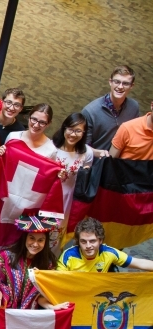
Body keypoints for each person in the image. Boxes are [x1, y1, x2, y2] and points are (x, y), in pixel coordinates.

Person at [0, 216, 69, 309]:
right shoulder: (5, 257)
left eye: (40, 240)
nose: (35, 244)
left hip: (30, 316)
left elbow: (41, 297)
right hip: (5, 310)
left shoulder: (49, 265)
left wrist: (53, 307)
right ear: (25, 238)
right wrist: (0, 299)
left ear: (45, 241)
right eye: (32, 238)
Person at [52, 113, 95, 249]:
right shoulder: (52, 148)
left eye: (78, 131)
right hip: (50, 196)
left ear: (84, 133)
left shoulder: (86, 153)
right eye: (70, 129)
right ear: (64, 128)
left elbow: (86, 179)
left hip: (69, 198)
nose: (73, 134)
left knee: (58, 234)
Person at [58, 217, 153, 273]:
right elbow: (56, 281)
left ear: (100, 241)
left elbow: (140, 263)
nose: (88, 246)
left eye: (92, 241)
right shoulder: (67, 256)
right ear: (78, 241)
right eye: (83, 241)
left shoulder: (109, 252)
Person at [82, 65, 140, 152]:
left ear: (131, 86)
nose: (120, 87)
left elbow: (135, 137)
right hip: (96, 162)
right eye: (117, 82)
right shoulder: (90, 111)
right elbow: (83, 147)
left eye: (125, 83)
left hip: (122, 161)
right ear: (110, 82)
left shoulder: (134, 107)